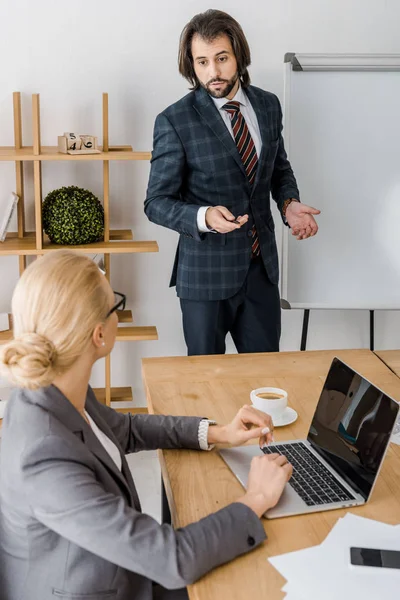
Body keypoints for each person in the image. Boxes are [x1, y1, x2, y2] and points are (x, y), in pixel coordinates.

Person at [0, 250, 292, 600]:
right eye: (116, 306)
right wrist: (256, 498)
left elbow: (124, 430)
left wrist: (217, 432)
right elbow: (171, 558)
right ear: (99, 335)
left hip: (123, 567)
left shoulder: (53, 388)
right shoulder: (43, 456)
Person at [145, 9, 320, 356]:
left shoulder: (268, 106)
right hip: (205, 278)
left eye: (221, 58)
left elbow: (279, 170)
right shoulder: (174, 120)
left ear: (238, 54)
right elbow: (156, 202)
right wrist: (204, 217)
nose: (213, 71)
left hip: (261, 272)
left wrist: (289, 204)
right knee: (208, 384)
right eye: (202, 62)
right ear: (192, 66)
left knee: (265, 382)